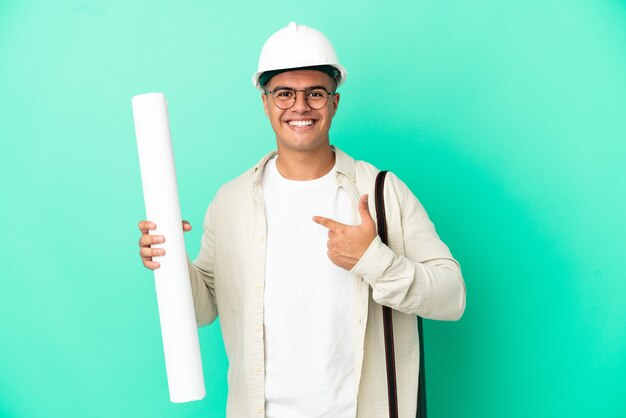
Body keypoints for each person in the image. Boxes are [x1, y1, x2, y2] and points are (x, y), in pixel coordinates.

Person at [138, 22, 466, 418]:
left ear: (334, 102)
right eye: (284, 94)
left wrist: (373, 260)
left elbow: (453, 298)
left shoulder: (383, 192)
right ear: (265, 102)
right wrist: (169, 261)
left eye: (315, 93)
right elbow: (206, 306)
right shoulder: (231, 201)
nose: (300, 107)